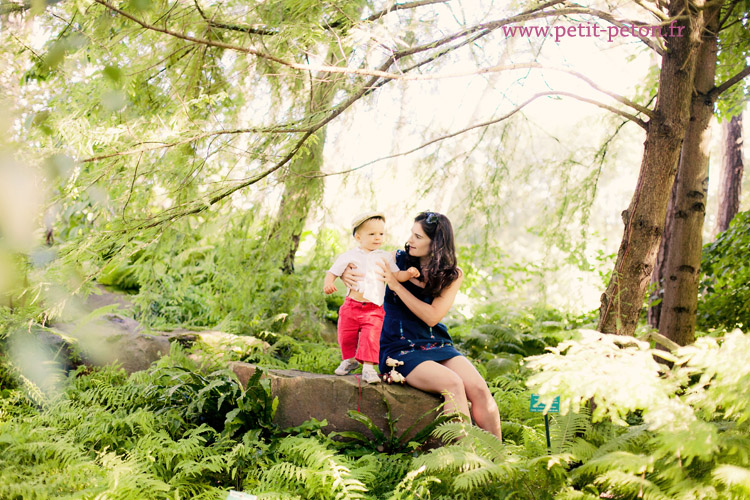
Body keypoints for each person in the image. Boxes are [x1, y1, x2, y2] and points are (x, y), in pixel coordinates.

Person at [341, 211, 502, 439]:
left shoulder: (452, 275)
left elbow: (432, 317)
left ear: (435, 244)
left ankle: (499, 460)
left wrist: (396, 286)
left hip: (435, 342)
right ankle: (465, 459)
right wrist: (345, 272)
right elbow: (360, 259)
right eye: (411, 233)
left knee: (479, 389)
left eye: (418, 236)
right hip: (398, 347)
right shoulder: (395, 260)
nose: (409, 240)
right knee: (453, 384)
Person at [324, 211, 420, 384]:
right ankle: (349, 360)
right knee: (346, 335)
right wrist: (328, 283)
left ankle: (368, 368)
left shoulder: (384, 256)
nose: (378, 238)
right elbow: (333, 271)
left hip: (373, 308)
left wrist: (409, 273)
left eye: (381, 234)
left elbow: (396, 275)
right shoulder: (349, 256)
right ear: (358, 237)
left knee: (371, 337)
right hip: (351, 305)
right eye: (372, 234)